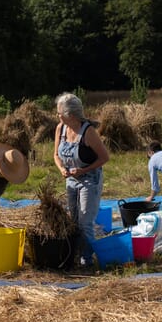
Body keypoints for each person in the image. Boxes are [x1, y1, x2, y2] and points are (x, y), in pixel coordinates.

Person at [53, 92, 109, 267]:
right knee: (74, 220)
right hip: (71, 180)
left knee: (85, 221)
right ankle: (76, 255)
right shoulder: (60, 129)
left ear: (70, 115)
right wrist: (62, 168)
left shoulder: (88, 132)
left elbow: (104, 158)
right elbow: (55, 154)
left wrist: (83, 169)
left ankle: (88, 259)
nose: (57, 116)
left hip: (89, 180)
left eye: (59, 113)